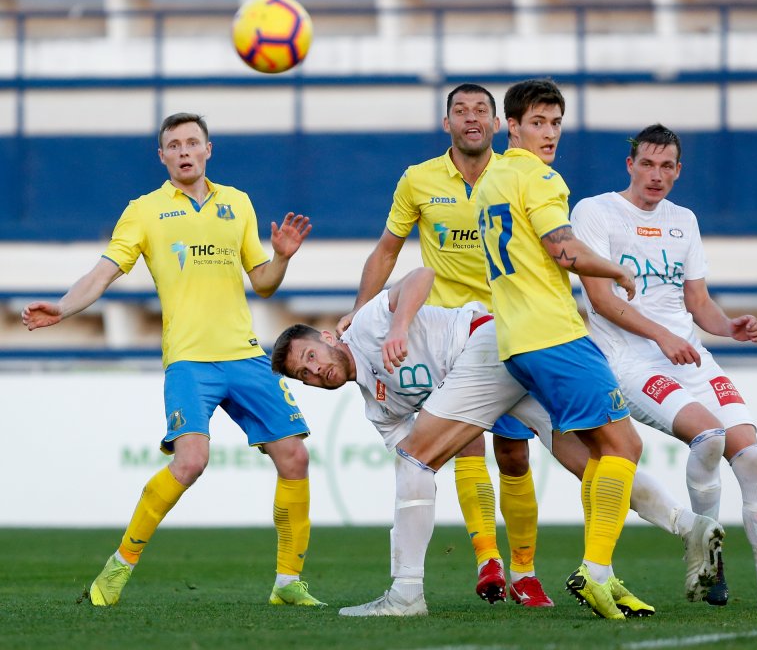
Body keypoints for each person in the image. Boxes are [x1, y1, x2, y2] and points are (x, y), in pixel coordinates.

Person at [273, 268, 721, 617]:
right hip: (503, 365)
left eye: (311, 356)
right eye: (303, 375)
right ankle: (691, 527)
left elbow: (422, 276)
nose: (314, 371)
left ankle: (406, 591)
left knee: (414, 461)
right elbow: (422, 464)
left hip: (487, 344)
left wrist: (398, 326)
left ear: (328, 336)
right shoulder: (378, 407)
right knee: (589, 463)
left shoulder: (367, 325)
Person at [21, 112, 326, 609]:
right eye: (174, 145)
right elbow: (103, 273)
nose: (184, 151)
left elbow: (263, 282)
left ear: (209, 150)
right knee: (191, 461)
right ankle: (118, 568)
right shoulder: (144, 211)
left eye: (192, 142)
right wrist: (63, 306)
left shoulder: (238, 203)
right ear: (161, 156)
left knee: (294, 456)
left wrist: (283, 257)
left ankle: (288, 583)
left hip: (246, 356)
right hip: (189, 361)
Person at [570, 123, 757, 611]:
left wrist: (728, 326)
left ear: (679, 170)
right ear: (629, 165)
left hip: (688, 354)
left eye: (666, 166)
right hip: (628, 358)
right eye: (647, 164)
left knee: (752, 456)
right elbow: (599, 299)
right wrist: (662, 336)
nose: (656, 175)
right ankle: (708, 567)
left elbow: (697, 301)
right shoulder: (595, 212)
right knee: (710, 436)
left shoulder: (684, 220)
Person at [336, 83, 546, 606]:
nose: (471, 118)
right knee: (464, 444)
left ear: (497, 124)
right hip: (448, 341)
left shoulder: (519, 175)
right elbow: (388, 252)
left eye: (481, 111)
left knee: (515, 454)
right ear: (446, 122)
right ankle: (488, 561)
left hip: (512, 326)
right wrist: (360, 314)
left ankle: (525, 571)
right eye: (460, 110)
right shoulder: (419, 180)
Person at [474, 78, 645, 620]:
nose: (549, 134)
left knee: (599, 451)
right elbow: (561, 248)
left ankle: (604, 572)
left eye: (555, 123)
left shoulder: (489, 179)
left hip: (515, 339)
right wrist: (615, 266)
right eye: (538, 123)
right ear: (512, 126)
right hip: (554, 336)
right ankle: (594, 571)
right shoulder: (541, 178)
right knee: (625, 447)